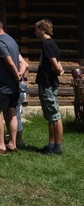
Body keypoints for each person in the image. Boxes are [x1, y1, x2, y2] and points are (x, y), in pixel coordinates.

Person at [0, 18, 26, 155]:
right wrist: (20, 74)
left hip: (3, 85)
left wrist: (17, 76)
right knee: (11, 111)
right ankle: (12, 143)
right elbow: (22, 62)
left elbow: (9, 62)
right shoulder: (11, 40)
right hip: (13, 86)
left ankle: (1, 145)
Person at [34, 19, 65, 155]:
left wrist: (58, 70)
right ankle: (51, 144)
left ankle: (57, 147)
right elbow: (58, 63)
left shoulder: (47, 44)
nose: (35, 32)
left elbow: (55, 63)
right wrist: (59, 69)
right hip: (48, 82)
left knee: (54, 116)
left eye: (36, 29)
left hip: (47, 83)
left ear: (42, 28)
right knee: (50, 116)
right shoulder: (52, 43)